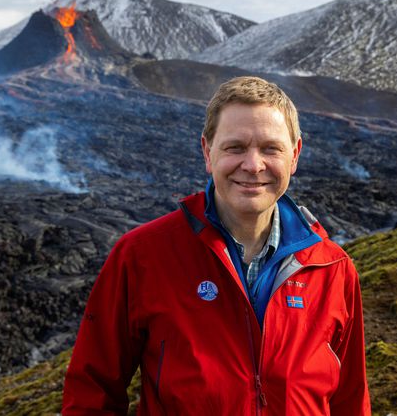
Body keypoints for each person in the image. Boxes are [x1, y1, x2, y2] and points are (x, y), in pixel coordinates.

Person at [61, 77, 371, 415]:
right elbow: (92, 392)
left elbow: (351, 400)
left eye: (271, 148)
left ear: (294, 155)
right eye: (235, 147)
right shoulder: (143, 257)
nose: (253, 166)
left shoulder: (331, 268)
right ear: (208, 152)